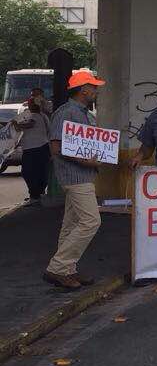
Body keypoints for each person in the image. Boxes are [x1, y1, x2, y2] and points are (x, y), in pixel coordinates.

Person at [43, 70, 108, 290]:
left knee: (71, 225)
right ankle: (58, 267)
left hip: (84, 176)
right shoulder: (66, 113)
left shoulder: (84, 114)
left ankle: (67, 270)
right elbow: (56, 147)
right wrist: (86, 161)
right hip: (75, 176)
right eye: (94, 87)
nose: (97, 91)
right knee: (91, 221)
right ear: (84, 90)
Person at [13, 88, 52, 203]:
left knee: (28, 172)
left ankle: (35, 195)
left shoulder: (34, 116)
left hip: (33, 149)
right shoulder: (44, 116)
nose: (28, 107)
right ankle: (38, 193)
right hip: (42, 147)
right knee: (41, 171)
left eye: (30, 104)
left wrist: (16, 125)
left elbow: (29, 125)